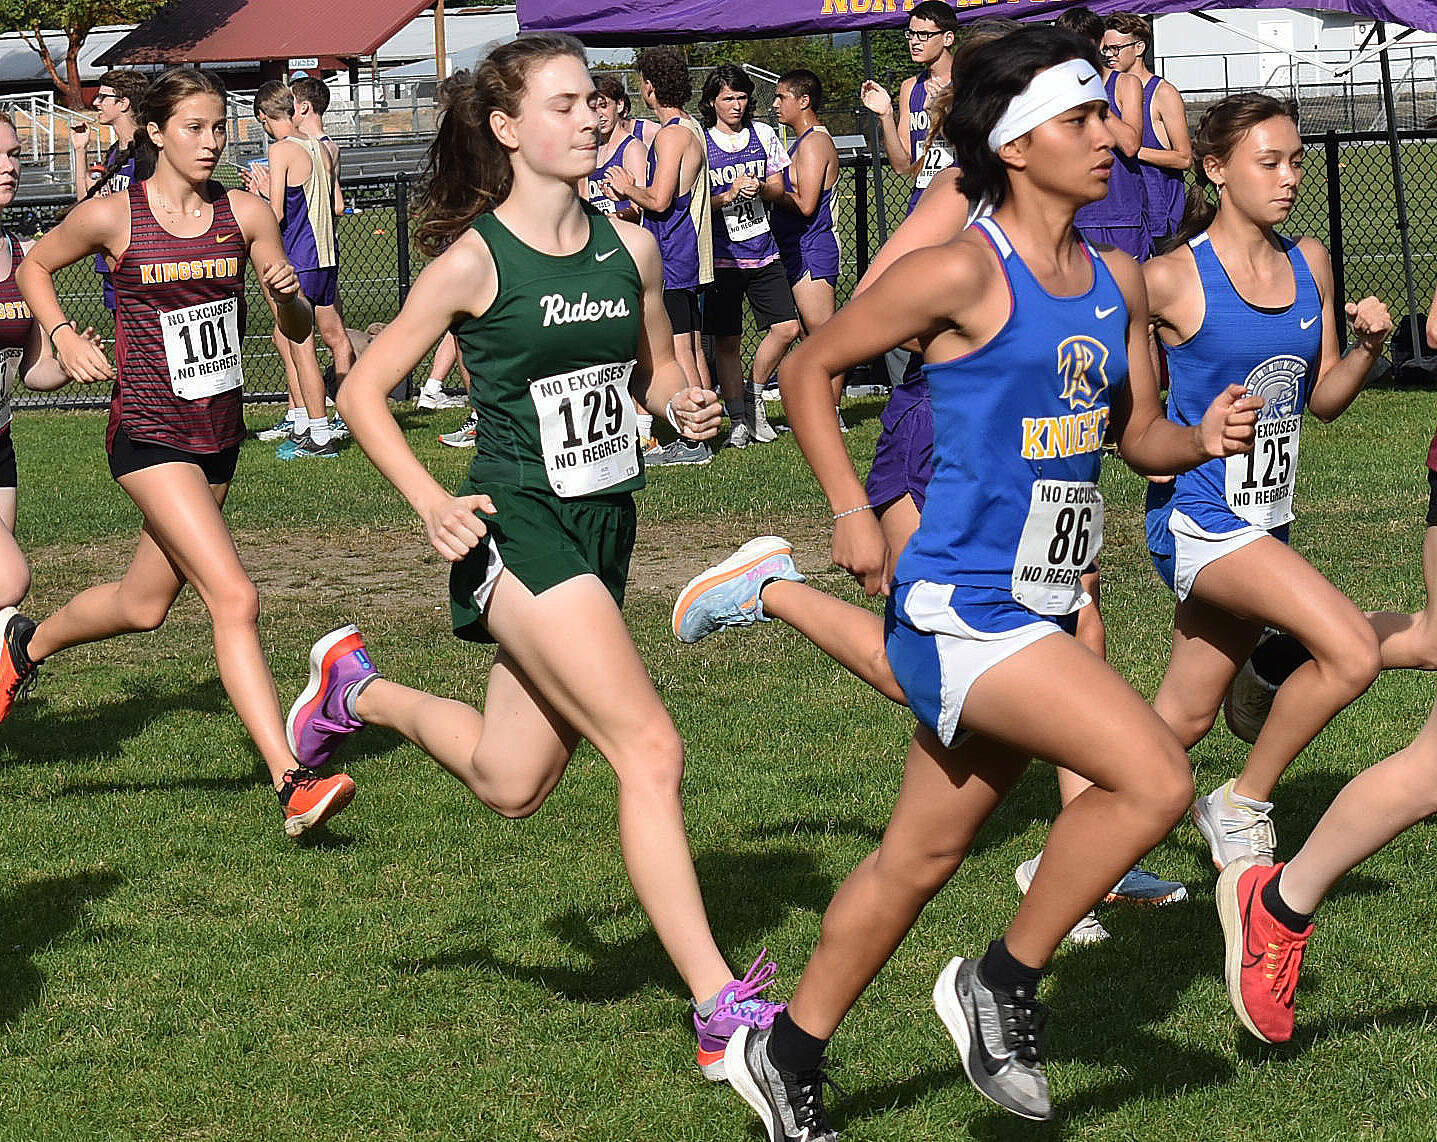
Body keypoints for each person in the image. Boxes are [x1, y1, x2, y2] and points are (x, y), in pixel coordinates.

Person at [720, 27, 1260, 1133]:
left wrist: (1198, 440)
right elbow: (817, 369)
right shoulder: (964, 266)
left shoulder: (1113, 279)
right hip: (959, 604)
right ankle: (1002, 982)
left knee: (918, 855)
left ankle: (786, 1050)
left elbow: (1137, 434)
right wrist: (848, 509)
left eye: (1103, 115)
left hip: (1042, 603)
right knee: (1157, 778)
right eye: (1080, 120)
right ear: (1016, 146)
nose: (1108, 136)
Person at [285, 35, 783, 1080]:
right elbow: (365, 391)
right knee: (648, 747)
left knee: (512, 781)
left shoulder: (629, 249)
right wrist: (430, 501)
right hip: (517, 527)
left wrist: (680, 403)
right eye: (566, 105)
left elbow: (649, 377)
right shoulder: (475, 260)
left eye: (596, 103)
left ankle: (352, 688)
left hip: (604, 526)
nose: (593, 120)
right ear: (507, 129)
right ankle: (718, 1009)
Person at [1, 67, 356, 837]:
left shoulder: (248, 214)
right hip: (147, 434)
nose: (211, 141)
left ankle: (22, 648)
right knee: (234, 596)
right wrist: (61, 334)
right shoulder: (113, 216)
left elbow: (294, 332)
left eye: (220, 127)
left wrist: (290, 295)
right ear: (156, 132)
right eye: (194, 127)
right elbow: (33, 266)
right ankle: (291, 780)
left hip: (216, 436)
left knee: (144, 605)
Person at [1143, 93, 1392, 871]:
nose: (1287, 178)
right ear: (1215, 170)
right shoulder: (1167, 280)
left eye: (1294, 162)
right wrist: (1193, 437)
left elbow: (1318, 400)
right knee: (1350, 649)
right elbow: (1133, 432)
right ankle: (1241, 802)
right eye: (1268, 162)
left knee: (1177, 723)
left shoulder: (1306, 259)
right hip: (1197, 517)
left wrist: (1367, 348)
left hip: (1264, 521)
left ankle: (1075, 868)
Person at [605, 47, 715, 471]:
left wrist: (625, 185)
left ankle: (694, 439)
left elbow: (660, 198)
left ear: (650, 87)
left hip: (673, 251)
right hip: (681, 251)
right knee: (687, 345)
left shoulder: (671, 134)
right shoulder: (686, 127)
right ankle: (701, 432)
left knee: (677, 350)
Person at [0, 112, 80, 606]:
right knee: (9, 577)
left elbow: (34, 369)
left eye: (12, 154)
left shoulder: (24, 257)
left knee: (2, 597)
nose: (8, 166)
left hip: (0, 444)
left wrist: (72, 362)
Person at [699, 64, 801, 450]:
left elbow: (779, 186)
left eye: (741, 97)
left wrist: (760, 187)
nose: (736, 105)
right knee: (727, 341)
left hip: (763, 250)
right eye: (728, 98)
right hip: (724, 258)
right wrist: (726, 195)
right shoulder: (703, 142)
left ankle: (756, 393)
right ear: (712, 102)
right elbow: (695, 203)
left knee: (787, 327)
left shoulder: (762, 135)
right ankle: (738, 417)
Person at [248, 81, 341, 459]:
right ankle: (304, 422)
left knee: (302, 348)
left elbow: (278, 214)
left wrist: (259, 193)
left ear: (263, 117)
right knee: (285, 338)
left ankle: (319, 435)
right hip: (325, 258)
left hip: (298, 258)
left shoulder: (281, 149)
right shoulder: (319, 146)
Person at [771, 70, 841, 410]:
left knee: (825, 337)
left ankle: (833, 411)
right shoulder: (799, 142)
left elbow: (806, 203)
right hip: (792, 247)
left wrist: (770, 191)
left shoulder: (814, 143)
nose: (775, 105)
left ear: (804, 101)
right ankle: (816, 404)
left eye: (781, 97)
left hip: (811, 249)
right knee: (800, 332)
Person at [1059, 7, 1151, 261]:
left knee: (1131, 293)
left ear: (1098, 44)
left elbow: (1131, 144)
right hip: (1074, 212)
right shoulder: (1053, 86)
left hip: (1120, 212)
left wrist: (1092, 100)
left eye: (1081, 46)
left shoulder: (1124, 84)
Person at [861, 0, 959, 218]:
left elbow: (979, 147)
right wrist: (886, 115)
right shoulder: (910, 87)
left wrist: (942, 113)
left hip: (963, 198)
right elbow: (901, 165)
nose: (914, 42)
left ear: (948, 38)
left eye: (924, 35)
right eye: (911, 34)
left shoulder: (969, 79)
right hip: (923, 200)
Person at [1103, 13, 1192, 247]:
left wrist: (1131, 148)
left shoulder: (1163, 93)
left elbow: (1184, 157)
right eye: (1106, 49)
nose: (1110, 55)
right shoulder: (1106, 89)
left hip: (1158, 219)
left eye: (1116, 48)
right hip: (1122, 215)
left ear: (1139, 47)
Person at [414, 70, 473, 414]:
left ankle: (481, 414)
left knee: (467, 329)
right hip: (463, 242)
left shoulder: (472, 145)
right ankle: (478, 413)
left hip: (472, 243)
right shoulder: (458, 147)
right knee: (462, 327)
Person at [71, 69, 150, 314]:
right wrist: (80, 151)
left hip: (136, 262)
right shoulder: (116, 151)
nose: (96, 103)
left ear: (123, 103)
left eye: (102, 97)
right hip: (110, 262)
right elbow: (83, 203)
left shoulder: (148, 151)